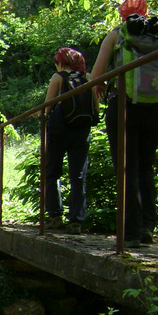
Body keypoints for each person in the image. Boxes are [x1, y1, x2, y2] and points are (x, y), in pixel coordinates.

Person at [90, 0, 158, 248]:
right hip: (155, 109)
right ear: (146, 13)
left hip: (124, 106)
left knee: (127, 168)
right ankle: (147, 226)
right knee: (146, 167)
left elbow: (97, 74)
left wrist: (100, 86)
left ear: (122, 14)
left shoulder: (117, 35)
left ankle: (131, 233)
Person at [43, 47, 96, 234]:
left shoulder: (58, 78)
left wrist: (40, 115)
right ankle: (76, 221)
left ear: (61, 62)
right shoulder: (88, 77)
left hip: (60, 129)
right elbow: (95, 106)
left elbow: (48, 106)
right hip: (82, 128)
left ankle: (55, 217)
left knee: (52, 172)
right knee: (78, 175)